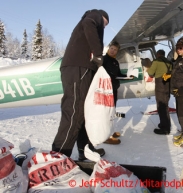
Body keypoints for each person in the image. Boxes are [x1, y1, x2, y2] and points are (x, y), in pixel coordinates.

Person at [52, 9, 109, 161]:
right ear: (103, 18)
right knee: (74, 111)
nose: (104, 27)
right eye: (105, 24)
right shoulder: (95, 15)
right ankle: (59, 156)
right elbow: (89, 23)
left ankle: (85, 150)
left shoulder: (88, 22)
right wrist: (98, 54)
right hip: (79, 68)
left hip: (80, 69)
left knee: (84, 111)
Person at [102, 41, 133, 144]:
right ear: (108, 48)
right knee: (107, 112)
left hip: (114, 89)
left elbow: (118, 74)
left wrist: (128, 76)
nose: (113, 51)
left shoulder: (115, 62)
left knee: (112, 111)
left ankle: (110, 131)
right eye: (112, 48)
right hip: (106, 90)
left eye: (115, 50)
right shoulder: (103, 60)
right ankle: (106, 136)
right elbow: (100, 74)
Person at [147, 49, 172, 135]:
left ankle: (165, 129)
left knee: (161, 106)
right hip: (168, 84)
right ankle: (165, 124)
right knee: (165, 105)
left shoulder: (157, 61)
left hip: (160, 84)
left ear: (158, 54)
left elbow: (150, 73)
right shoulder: (169, 62)